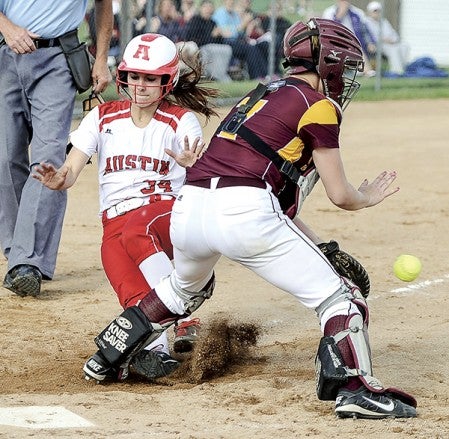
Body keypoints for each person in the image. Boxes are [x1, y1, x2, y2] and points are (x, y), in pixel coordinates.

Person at [81, 18, 418, 419]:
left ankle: (107, 354)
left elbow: (281, 206)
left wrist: (322, 248)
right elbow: (340, 195)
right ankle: (354, 390)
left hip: (189, 206)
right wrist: (367, 198)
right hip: (243, 209)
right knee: (341, 299)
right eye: (342, 67)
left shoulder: (261, 93)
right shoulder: (319, 106)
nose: (343, 77)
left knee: (181, 291)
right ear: (326, 64)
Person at [33, 33, 218, 378]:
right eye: (134, 76)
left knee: (137, 229)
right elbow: (71, 169)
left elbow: (199, 171)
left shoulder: (180, 120)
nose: (140, 85)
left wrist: (194, 164)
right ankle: (156, 351)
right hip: (114, 225)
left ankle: (186, 314)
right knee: (127, 281)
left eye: (150, 78)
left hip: (165, 215)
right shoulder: (102, 118)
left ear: (167, 81)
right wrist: (60, 179)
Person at [0, 0, 112, 298]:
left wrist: (101, 59)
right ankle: (17, 252)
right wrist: (7, 27)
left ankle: (27, 262)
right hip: (5, 55)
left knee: (48, 160)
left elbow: (104, 5)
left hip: (58, 59)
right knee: (5, 157)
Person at [212, 0, 267, 80]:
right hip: (226, 42)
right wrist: (243, 24)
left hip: (237, 41)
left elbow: (240, 32)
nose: (231, 2)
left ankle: (265, 75)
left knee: (255, 47)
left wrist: (248, 27)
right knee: (250, 49)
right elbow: (226, 34)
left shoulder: (234, 14)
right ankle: (256, 76)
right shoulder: (220, 13)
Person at [322, 0, 376, 76]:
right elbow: (328, 31)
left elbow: (365, 31)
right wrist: (339, 16)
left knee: (356, 47)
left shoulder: (357, 13)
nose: (344, 3)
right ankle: (364, 70)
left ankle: (365, 70)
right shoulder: (329, 12)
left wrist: (370, 42)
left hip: (356, 42)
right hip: (336, 43)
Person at [184, 0, 233, 82]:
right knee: (211, 49)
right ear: (201, 8)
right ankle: (212, 75)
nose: (208, 9)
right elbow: (195, 40)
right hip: (199, 48)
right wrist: (212, 36)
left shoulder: (212, 22)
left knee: (227, 48)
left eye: (210, 7)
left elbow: (219, 42)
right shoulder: (195, 20)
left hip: (212, 47)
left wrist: (219, 35)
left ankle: (219, 74)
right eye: (206, 7)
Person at [365, 1, 409, 76]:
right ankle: (397, 72)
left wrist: (393, 40)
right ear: (370, 12)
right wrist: (383, 39)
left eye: (378, 11)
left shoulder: (384, 22)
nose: (377, 13)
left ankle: (403, 69)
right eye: (374, 11)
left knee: (404, 47)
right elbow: (370, 37)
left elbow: (395, 35)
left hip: (390, 43)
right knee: (393, 49)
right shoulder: (366, 22)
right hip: (378, 45)